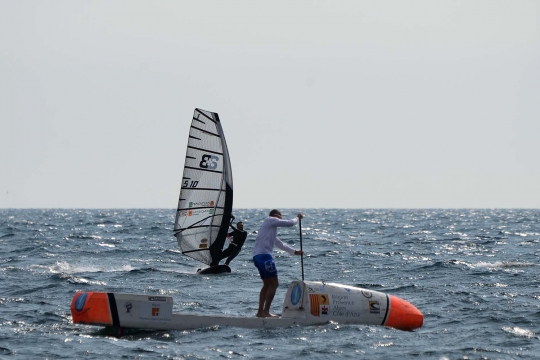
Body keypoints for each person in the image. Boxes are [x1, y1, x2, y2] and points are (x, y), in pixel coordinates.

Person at [252, 209, 304, 318]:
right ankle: (266, 311)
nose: (280, 219)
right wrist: (298, 218)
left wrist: (294, 252)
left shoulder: (269, 229)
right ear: (276, 216)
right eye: (280, 217)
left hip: (257, 256)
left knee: (267, 284)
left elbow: (280, 244)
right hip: (265, 257)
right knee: (274, 284)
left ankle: (260, 312)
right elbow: (290, 223)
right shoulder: (271, 219)